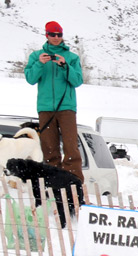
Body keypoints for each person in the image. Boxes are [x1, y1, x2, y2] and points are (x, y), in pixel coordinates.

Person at [24, 21, 85, 182]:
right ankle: (52, 181)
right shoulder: (36, 56)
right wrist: (40, 64)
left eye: (59, 34)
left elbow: (78, 81)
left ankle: (74, 181)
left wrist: (65, 66)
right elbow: (30, 79)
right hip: (45, 108)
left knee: (71, 147)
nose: (56, 38)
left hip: (66, 107)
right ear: (47, 35)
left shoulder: (71, 58)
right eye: (53, 34)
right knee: (49, 148)